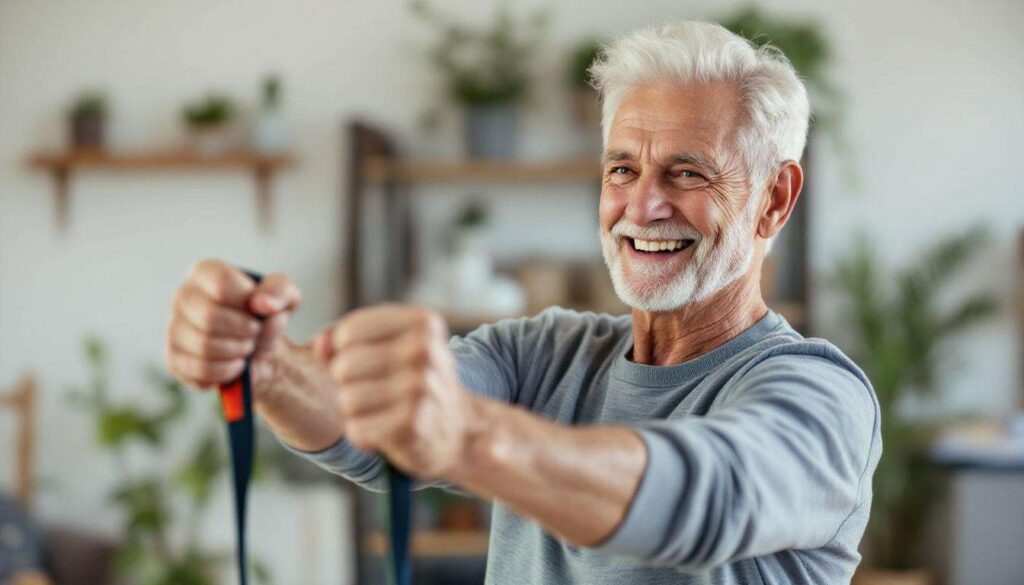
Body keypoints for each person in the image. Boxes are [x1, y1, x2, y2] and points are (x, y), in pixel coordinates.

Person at [164, 20, 880, 585]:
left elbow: (700, 496)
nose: (642, 204)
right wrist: (266, 362)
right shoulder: (544, 353)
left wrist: (471, 434)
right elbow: (370, 426)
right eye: (622, 169)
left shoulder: (819, 395)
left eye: (687, 172)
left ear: (775, 199)